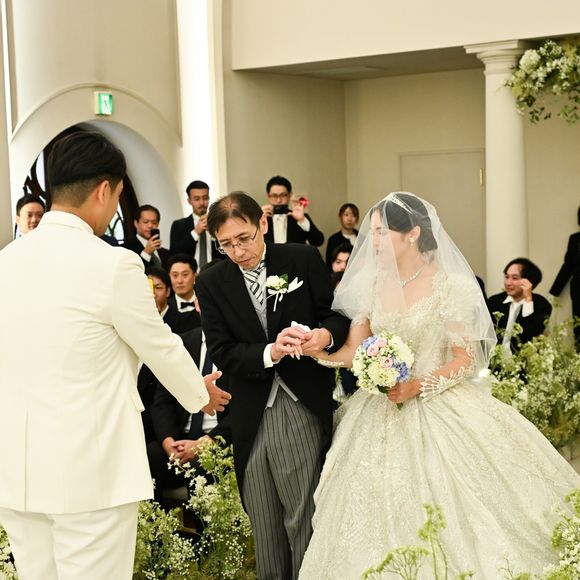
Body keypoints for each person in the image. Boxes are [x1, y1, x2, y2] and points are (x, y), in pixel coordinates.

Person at [298, 192, 580, 579]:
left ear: (412, 233)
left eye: (381, 233)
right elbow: (354, 350)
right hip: (378, 411)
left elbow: (465, 358)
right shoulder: (372, 285)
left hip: (438, 400)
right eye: (372, 232)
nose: (373, 241)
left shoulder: (451, 286)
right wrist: (316, 351)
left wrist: (417, 385)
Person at [0, 131, 230, 580]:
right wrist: (199, 395)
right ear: (104, 190)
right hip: (90, 471)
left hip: (17, 472)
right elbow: (159, 344)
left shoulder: (7, 262)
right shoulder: (112, 264)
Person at [196, 191, 350, 580]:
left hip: (300, 402)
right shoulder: (211, 282)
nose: (237, 251)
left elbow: (336, 316)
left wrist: (323, 336)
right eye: (226, 244)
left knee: (303, 517)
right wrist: (271, 352)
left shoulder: (301, 258)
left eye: (244, 238)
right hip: (248, 411)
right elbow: (223, 351)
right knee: (263, 524)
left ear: (262, 224)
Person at [488, 257, 552, 353]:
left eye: (514, 278)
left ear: (528, 281)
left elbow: (531, 334)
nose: (508, 283)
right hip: (494, 358)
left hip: (523, 359)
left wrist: (528, 300)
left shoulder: (542, 305)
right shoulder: (494, 301)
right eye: (507, 277)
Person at [169, 180, 222, 266]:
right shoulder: (178, 225)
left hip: (215, 269)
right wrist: (196, 232)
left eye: (205, 198)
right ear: (189, 201)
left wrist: (213, 233)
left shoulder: (218, 223)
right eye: (197, 199)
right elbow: (174, 255)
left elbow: (226, 252)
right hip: (190, 272)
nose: (202, 203)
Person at [262, 175, 324, 246]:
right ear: (268, 196)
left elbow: (318, 241)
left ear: (290, 195)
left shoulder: (299, 217)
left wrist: (302, 220)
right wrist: (258, 219)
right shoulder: (262, 218)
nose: (279, 200)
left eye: (283, 195)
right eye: (274, 195)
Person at [550, 204, 580, 348]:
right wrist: (554, 292)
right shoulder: (575, 239)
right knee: (579, 329)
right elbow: (568, 266)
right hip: (579, 291)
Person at [123, 204, 170, 270]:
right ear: (136, 223)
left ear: (158, 224)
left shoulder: (166, 252)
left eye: (154, 222)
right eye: (145, 222)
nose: (150, 226)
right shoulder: (126, 249)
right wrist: (146, 253)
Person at [167, 253, 201, 332]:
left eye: (185, 275)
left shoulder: (205, 302)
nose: (179, 281)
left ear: (195, 276)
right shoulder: (166, 307)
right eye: (175, 275)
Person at [325, 202, 359, 267]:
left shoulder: (362, 238)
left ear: (357, 219)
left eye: (353, 215)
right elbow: (329, 263)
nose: (349, 219)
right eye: (346, 215)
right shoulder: (333, 240)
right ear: (340, 217)